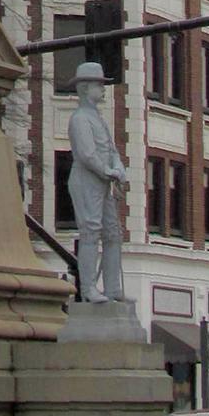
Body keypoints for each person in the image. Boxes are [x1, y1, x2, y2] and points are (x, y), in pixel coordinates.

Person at [68, 60, 127, 302]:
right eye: (98, 85)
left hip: (103, 182)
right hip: (86, 180)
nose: (103, 89)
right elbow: (87, 154)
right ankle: (89, 289)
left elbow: (112, 150)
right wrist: (110, 172)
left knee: (113, 233)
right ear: (84, 88)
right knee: (90, 231)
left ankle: (113, 288)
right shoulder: (79, 118)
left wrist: (119, 168)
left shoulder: (99, 119)